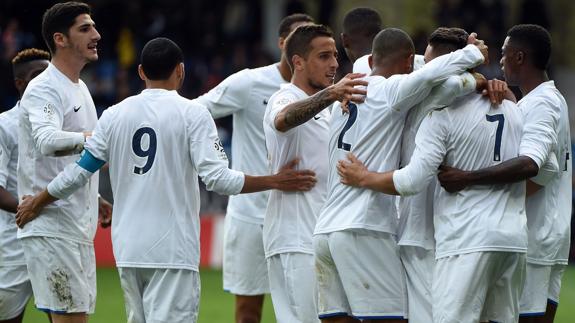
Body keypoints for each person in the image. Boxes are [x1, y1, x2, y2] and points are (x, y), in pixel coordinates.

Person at [16, 37, 317, 323]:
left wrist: (39, 200)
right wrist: (275, 180)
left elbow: (79, 172)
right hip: (173, 250)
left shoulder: (114, 115)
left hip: (129, 248)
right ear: (181, 71)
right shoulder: (193, 114)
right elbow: (219, 180)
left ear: (141, 72)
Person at [313, 28, 487, 323]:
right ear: (409, 62)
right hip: (363, 225)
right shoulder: (392, 90)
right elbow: (435, 78)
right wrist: (474, 60)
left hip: (324, 231)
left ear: (370, 60)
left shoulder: (346, 92)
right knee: (393, 318)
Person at [337, 92, 527, 322]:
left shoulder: (440, 113)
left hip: (450, 237)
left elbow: (412, 180)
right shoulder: (513, 109)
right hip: (512, 237)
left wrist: (364, 178)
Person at [436, 24, 571, 323]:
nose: (500, 62)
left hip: (537, 234)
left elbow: (534, 165)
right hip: (545, 232)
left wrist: (468, 178)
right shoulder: (538, 100)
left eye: (505, 55)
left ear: (520, 58)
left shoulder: (541, 103)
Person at [193, 13, 313, 323]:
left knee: (310, 308)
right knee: (248, 313)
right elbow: (193, 112)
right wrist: (216, 154)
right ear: (281, 43)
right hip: (250, 215)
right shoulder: (250, 82)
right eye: (296, 38)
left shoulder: (323, 89)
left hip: (304, 215)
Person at [263, 24, 367, 323]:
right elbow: (284, 120)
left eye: (335, 55)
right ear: (298, 62)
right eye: (323, 56)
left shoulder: (331, 107)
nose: (334, 63)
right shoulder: (283, 97)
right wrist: (331, 94)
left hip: (323, 235)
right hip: (295, 239)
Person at [16, 2, 111, 323]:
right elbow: (46, 140)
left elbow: (78, 154)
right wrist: (93, 138)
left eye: (94, 27)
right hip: (52, 222)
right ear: (60, 38)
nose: (96, 34)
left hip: (74, 224)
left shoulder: (80, 87)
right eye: (85, 28)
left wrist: (96, 198)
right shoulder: (43, 88)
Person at [0, 48, 50, 323]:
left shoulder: (58, 124)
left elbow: (60, 174)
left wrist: (97, 197)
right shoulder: (4, 125)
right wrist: (31, 207)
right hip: (13, 243)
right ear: (20, 84)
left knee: (64, 313)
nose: (45, 81)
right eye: (37, 75)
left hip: (53, 238)